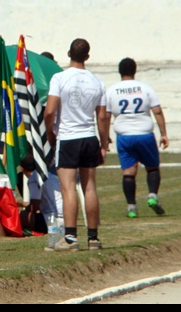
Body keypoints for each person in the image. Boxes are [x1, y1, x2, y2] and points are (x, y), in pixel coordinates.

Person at [43, 38, 108, 252]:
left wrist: (50, 133)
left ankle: (70, 237)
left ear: (69, 53)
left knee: (68, 188)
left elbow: (50, 111)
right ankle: (93, 238)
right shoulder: (98, 81)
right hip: (89, 136)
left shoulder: (60, 77)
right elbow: (102, 117)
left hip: (68, 136)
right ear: (87, 57)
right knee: (89, 187)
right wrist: (104, 143)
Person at [106, 57, 169, 219]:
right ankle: (152, 196)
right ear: (135, 71)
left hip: (124, 136)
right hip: (145, 134)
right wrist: (163, 134)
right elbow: (157, 111)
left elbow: (105, 116)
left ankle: (132, 207)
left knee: (128, 172)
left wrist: (105, 136)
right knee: (152, 168)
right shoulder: (145, 88)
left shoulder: (112, 90)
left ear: (120, 72)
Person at [19, 152, 63, 246]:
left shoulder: (34, 178)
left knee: (21, 216)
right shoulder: (51, 175)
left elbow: (35, 206)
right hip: (66, 218)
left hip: (52, 220)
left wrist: (24, 210)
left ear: (22, 169)